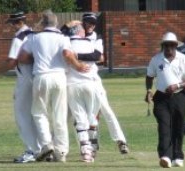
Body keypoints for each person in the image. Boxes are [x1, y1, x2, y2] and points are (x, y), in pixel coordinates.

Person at [18, 10, 88, 162]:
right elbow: (67, 54)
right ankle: (61, 151)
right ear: (56, 23)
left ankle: (46, 144)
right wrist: (78, 66)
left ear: (43, 24)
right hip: (59, 77)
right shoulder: (62, 37)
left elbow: (22, 57)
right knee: (59, 114)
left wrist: (36, 58)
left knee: (39, 112)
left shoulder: (34, 38)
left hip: (41, 76)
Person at [80, 12, 130, 154]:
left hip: (94, 80)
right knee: (86, 114)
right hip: (77, 80)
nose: (90, 25)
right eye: (87, 22)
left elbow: (97, 56)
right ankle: (92, 145)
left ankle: (121, 141)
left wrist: (76, 55)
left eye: (93, 23)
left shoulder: (96, 39)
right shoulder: (75, 38)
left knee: (106, 109)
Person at [144, 32, 185, 168]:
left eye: (172, 45)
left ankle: (178, 156)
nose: (169, 48)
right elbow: (149, 76)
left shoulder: (183, 59)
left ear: (176, 46)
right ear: (163, 46)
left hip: (179, 96)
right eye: (166, 45)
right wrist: (149, 90)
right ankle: (165, 156)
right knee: (164, 126)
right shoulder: (156, 59)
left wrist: (178, 85)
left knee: (178, 127)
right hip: (161, 98)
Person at [3, 11, 41, 163]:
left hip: (25, 79)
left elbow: (12, 61)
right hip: (37, 77)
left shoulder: (19, 38)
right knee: (37, 116)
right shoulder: (35, 35)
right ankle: (42, 148)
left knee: (22, 116)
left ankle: (32, 150)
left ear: (15, 23)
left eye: (11, 23)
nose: (11, 27)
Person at [64, 21, 100, 162]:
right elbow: (98, 57)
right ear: (80, 32)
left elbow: (65, 55)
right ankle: (93, 146)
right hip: (89, 83)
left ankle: (86, 152)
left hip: (72, 84)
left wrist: (75, 59)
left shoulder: (66, 43)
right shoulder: (90, 43)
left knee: (80, 119)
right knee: (91, 116)